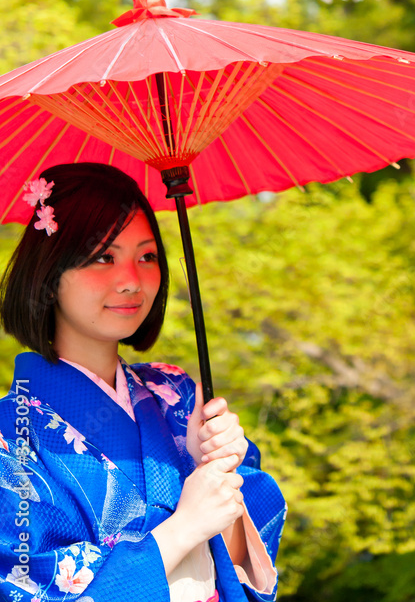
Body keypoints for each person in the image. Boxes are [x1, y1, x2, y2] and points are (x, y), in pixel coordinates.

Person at [0, 163, 286, 602]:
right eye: (103, 257)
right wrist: (182, 528)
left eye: (147, 256)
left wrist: (218, 472)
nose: (132, 281)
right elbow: (23, 585)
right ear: (50, 274)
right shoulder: (10, 434)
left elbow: (237, 568)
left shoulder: (176, 395)